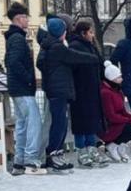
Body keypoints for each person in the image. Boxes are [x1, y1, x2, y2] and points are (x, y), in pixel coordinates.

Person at [35, 16, 99, 172]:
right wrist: (93, 58)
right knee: (59, 124)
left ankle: (56, 152)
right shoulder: (57, 47)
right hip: (58, 91)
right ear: (60, 33)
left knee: (61, 124)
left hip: (59, 90)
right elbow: (74, 56)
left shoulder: (51, 46)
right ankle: (52, 154)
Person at [4, 2, 45, 175]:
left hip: (16, 88)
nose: (28, 20)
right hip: (22, 88)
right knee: (34, 122)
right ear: (19, 18)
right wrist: (29, 79)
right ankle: (30, 160)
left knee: (22, 124)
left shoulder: (12, 38)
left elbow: (9, 61)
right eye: (26, 17)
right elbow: (12, 62)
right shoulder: (18, 39)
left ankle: (19, 161)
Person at [69, 20, 107, 167]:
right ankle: (81, 150)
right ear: (83, 33)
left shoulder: (91, 47)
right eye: (90, 32)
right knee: (81, 122)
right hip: (80, 90)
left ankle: (91, 148)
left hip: (92, 89)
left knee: (92, 120)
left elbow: (99, 64)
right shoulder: (75, 47)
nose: (92, 35)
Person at [100, 62, 131, 161]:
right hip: (109, 125)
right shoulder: (105, 93)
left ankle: (119, 146)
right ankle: (112, 145)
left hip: (117, 121)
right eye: (119, 77)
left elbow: (122, 111)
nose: (121, 79)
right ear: (112, 79)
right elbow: (111, 116)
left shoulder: (118, 91)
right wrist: (130, 121)